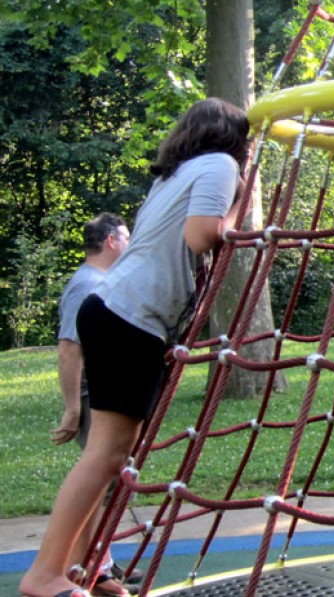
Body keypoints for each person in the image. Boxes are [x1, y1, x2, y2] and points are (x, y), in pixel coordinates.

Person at [20, 98, 250, 597]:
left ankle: (82, 567)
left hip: (116, 310)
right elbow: (202, 237)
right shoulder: (221, 165)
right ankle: (45, 575)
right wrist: (240, 202)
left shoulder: (175, 174)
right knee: (106, 454)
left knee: (113, 453)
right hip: (130, 316)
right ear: (235, 138)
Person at [52, 213, 135, 596]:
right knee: (101, 478)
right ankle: (90, 570)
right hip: (92, 394)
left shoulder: (105, 281)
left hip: (108, 389)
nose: (131, 243)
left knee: (114, 478)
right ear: (111, 241)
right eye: (126, 236)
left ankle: (98, 561)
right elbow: (70, 348)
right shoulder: (86, 285)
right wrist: (72, 408)